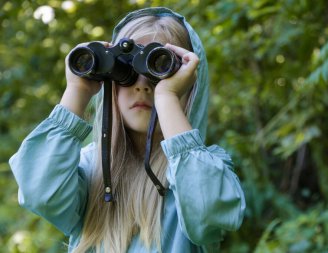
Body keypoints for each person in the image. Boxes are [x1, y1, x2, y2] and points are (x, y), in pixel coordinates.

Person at [9, 7, 246, 253]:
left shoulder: (204, 170)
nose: (142, 86)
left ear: (189, 88)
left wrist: (166, 97)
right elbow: (39, 193)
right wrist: (76, 91)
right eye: (127, 72)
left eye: (160, 71)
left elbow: (209, 212)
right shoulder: (90, 169)